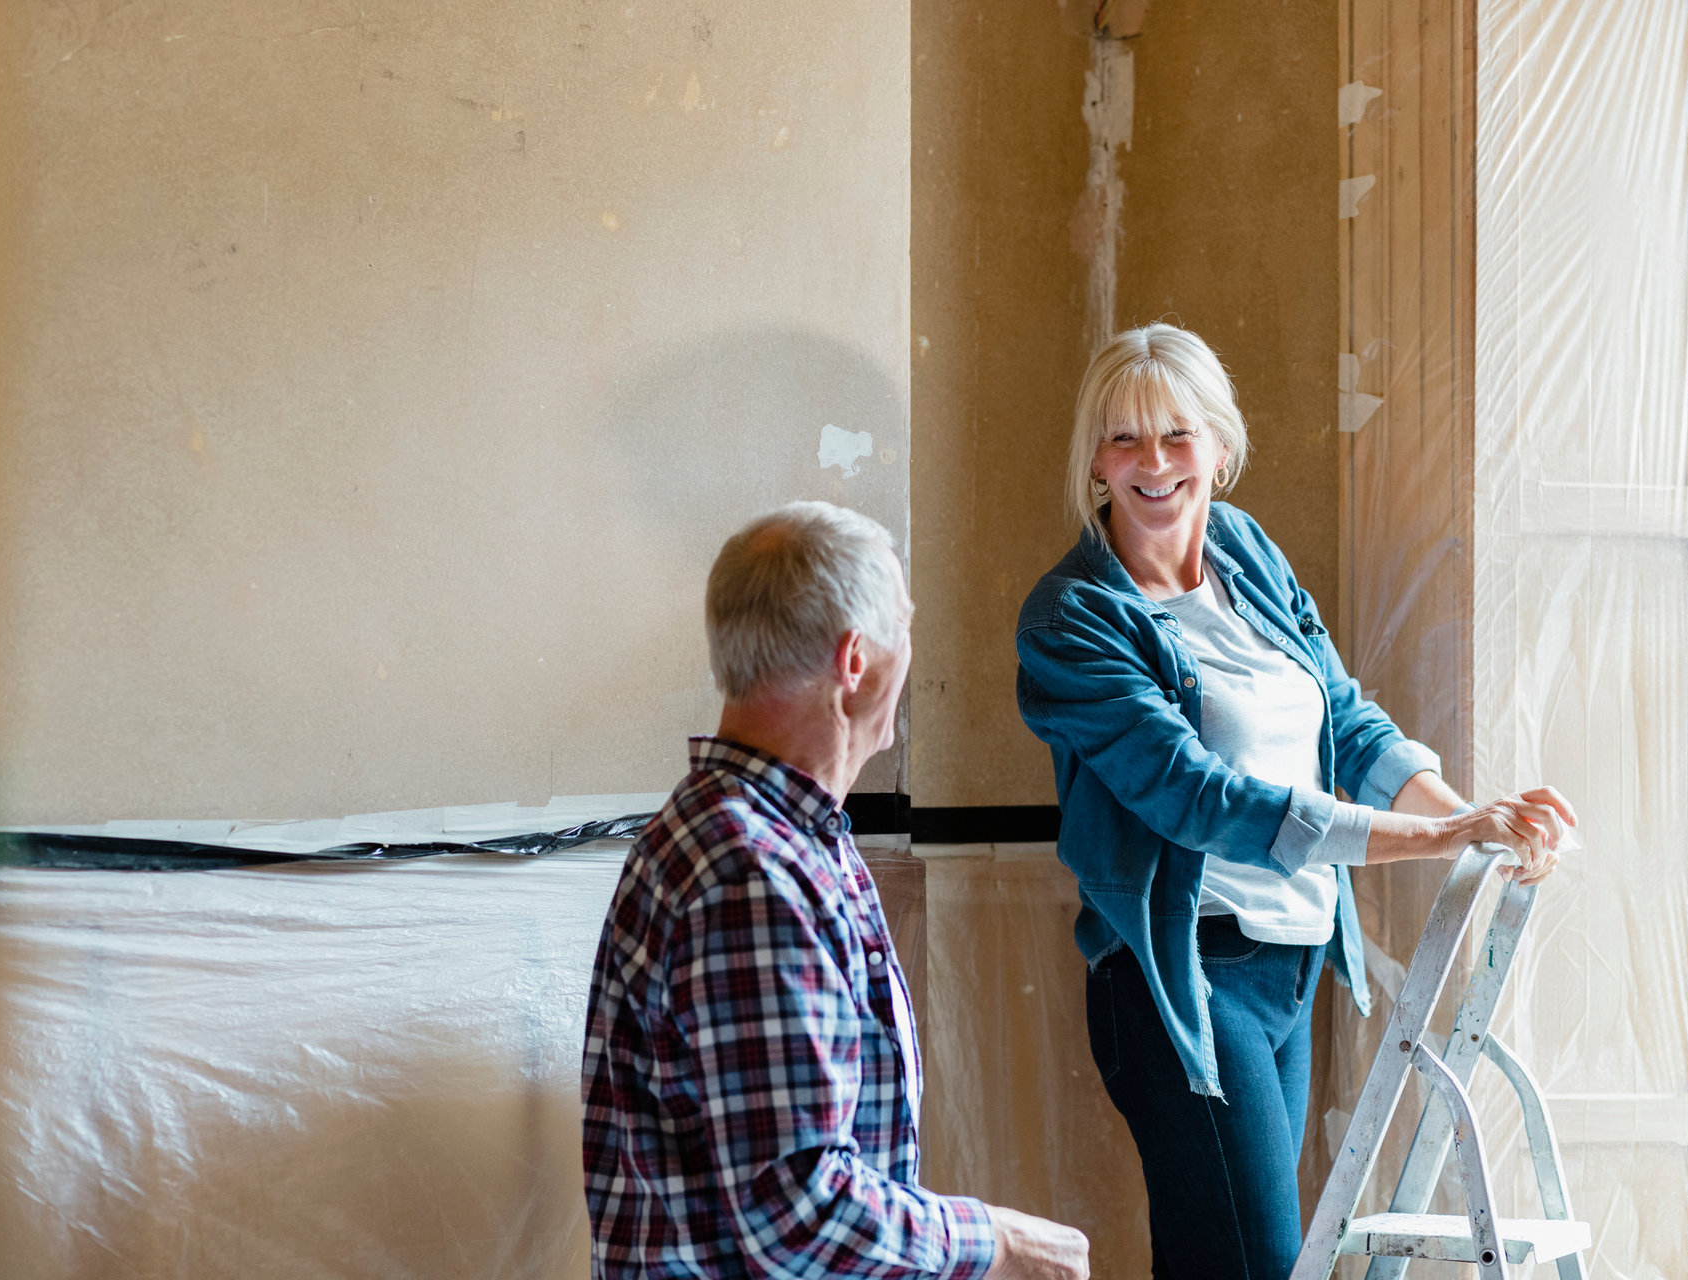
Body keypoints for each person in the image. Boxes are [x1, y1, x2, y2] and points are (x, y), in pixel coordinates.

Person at [1014, 324, 1576, 1279]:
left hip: (1292, 962)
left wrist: (1474, 820)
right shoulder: (1074, 616)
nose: (1154, 462)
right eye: (1124, 439)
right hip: (1181, 978)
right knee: (1259, 1264)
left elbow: (1345, 720)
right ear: (1095, 462)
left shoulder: (1245, 550)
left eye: (1178, 434)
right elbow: (1199, 797)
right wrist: (1442, 834)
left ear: (1219, 449)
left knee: (1222, 1263)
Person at [584, 501, 1092, 1280]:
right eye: (906, 627)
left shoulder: (769, 838)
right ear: (855, 661)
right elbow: (798, 1211)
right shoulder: (751, 874)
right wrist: (997, 1242)